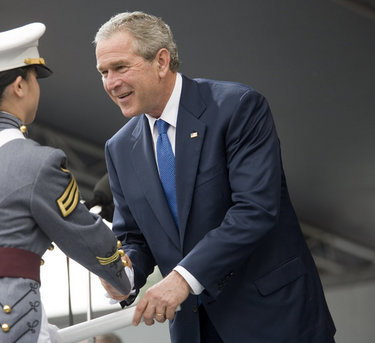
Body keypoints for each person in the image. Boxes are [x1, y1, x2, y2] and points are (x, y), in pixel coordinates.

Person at [93, 11, 336, 343]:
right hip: (196, 331)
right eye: (104, 72)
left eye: (121, 67)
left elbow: (255, 210)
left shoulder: (238, 108)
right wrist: (124, 276)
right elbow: (135, 238)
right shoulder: (119, 148)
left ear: (161, 61)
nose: (111, 82)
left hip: (275, 320)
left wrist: (181, 279)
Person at [0, 23, 131, 343]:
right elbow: (83, 232)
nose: (37, 88)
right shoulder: (38, 162)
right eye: (35, 78)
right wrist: (123, 278)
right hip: (8, 323)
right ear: (20, 85)